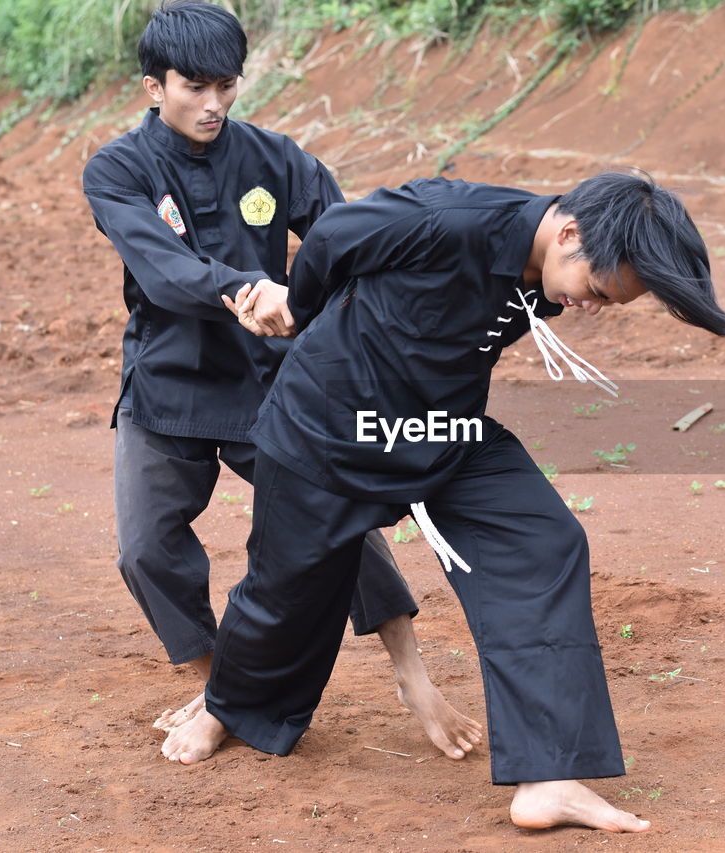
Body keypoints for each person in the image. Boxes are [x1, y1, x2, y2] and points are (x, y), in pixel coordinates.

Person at [162, 171, 725, 832]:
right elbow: (332, 235)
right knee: (287, 593)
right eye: (597, 292)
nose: (592, 307)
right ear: (568, 232)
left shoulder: (547, 270)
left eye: (611, 302)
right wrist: (306, 309)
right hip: (328, 426)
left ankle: (548, 775)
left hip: (442, 431)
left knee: (542, 540)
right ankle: (226, 704)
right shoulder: (445, 217)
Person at [80, 0, 480, 761]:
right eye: (194, 87)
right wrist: (250, 290)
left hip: (279, 384)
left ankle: (413, 677)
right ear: (151, 88)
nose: (214, 104)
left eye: (226, 85)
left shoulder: (275, 158)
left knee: (345, 520)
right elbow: (164, 273)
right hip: (169, 381)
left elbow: (347, 238)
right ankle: (215, 684)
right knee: (146, 548)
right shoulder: (117, 170)